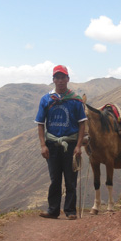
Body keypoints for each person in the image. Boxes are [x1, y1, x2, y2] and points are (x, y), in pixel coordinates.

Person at [35, 65, 87, 220]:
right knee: (55, 179)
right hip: (52, 145)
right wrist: (43, 145)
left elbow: (82, 123)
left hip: (71, 145)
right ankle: (53, 210)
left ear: (68, 79)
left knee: (71, 180)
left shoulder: (75, 100)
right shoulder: (46, 99)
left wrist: (78, 146)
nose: (60, 80)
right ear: (53, 80)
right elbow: (40, 123)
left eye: (63, 77)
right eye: (57, 77)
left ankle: (70, 211)